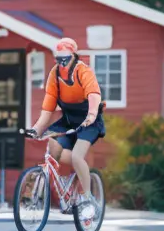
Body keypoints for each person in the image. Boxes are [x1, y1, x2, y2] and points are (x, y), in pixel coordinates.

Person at [26, 37, 105, 218]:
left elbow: (93, 95)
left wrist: (91, 115)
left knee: (77, 156)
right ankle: (65, 181)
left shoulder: (82, 71)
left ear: (74, 55)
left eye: (65, 56)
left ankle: (87, 198)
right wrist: (36, 129)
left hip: (88, 120)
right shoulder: (54, 75)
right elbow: (48, 108)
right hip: (68, 120)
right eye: (58, 56)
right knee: (53, 147)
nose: (61, 60)